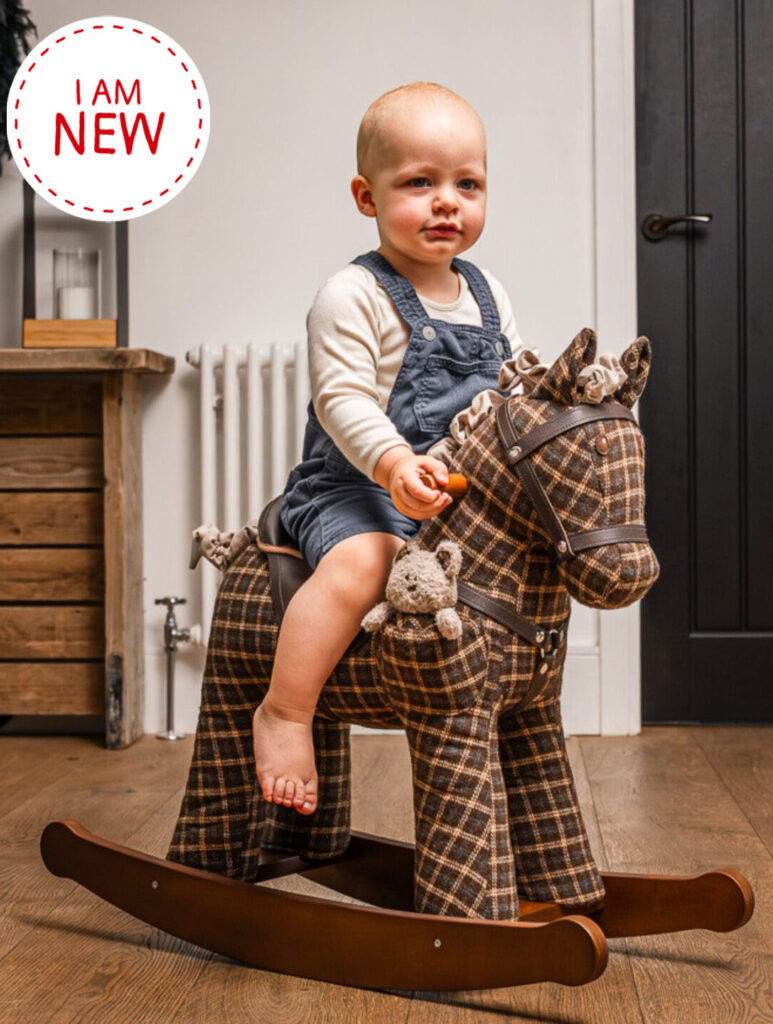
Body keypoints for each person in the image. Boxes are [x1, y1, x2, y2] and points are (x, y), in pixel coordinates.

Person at [252, 81, 525, 814]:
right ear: (366, 197)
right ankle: (285, 710)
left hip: (453, 502)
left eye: (467, 184)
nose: (447, 202)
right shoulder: (352, 294)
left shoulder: (488, 294)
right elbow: (340, 398)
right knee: (364, 561)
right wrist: (395, 463)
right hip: (355, 487)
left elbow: (514, 396)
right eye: (419, 182)